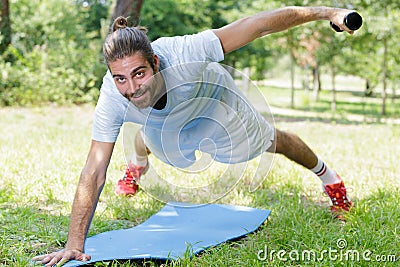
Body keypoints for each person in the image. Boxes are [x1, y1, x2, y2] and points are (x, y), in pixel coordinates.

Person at [33, 6, 356, 266]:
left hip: (215, 104)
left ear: (156, 62)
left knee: (269, 142)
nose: (131, 88)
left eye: (139, 73)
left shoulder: (186, 51)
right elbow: (94, 167)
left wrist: (327, 13)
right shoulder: (114, 96)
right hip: (168, 119)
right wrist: (74, 245)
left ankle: (329, 178)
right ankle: (136, 168)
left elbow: (258, 24)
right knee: (156, 141)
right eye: (120, 78)